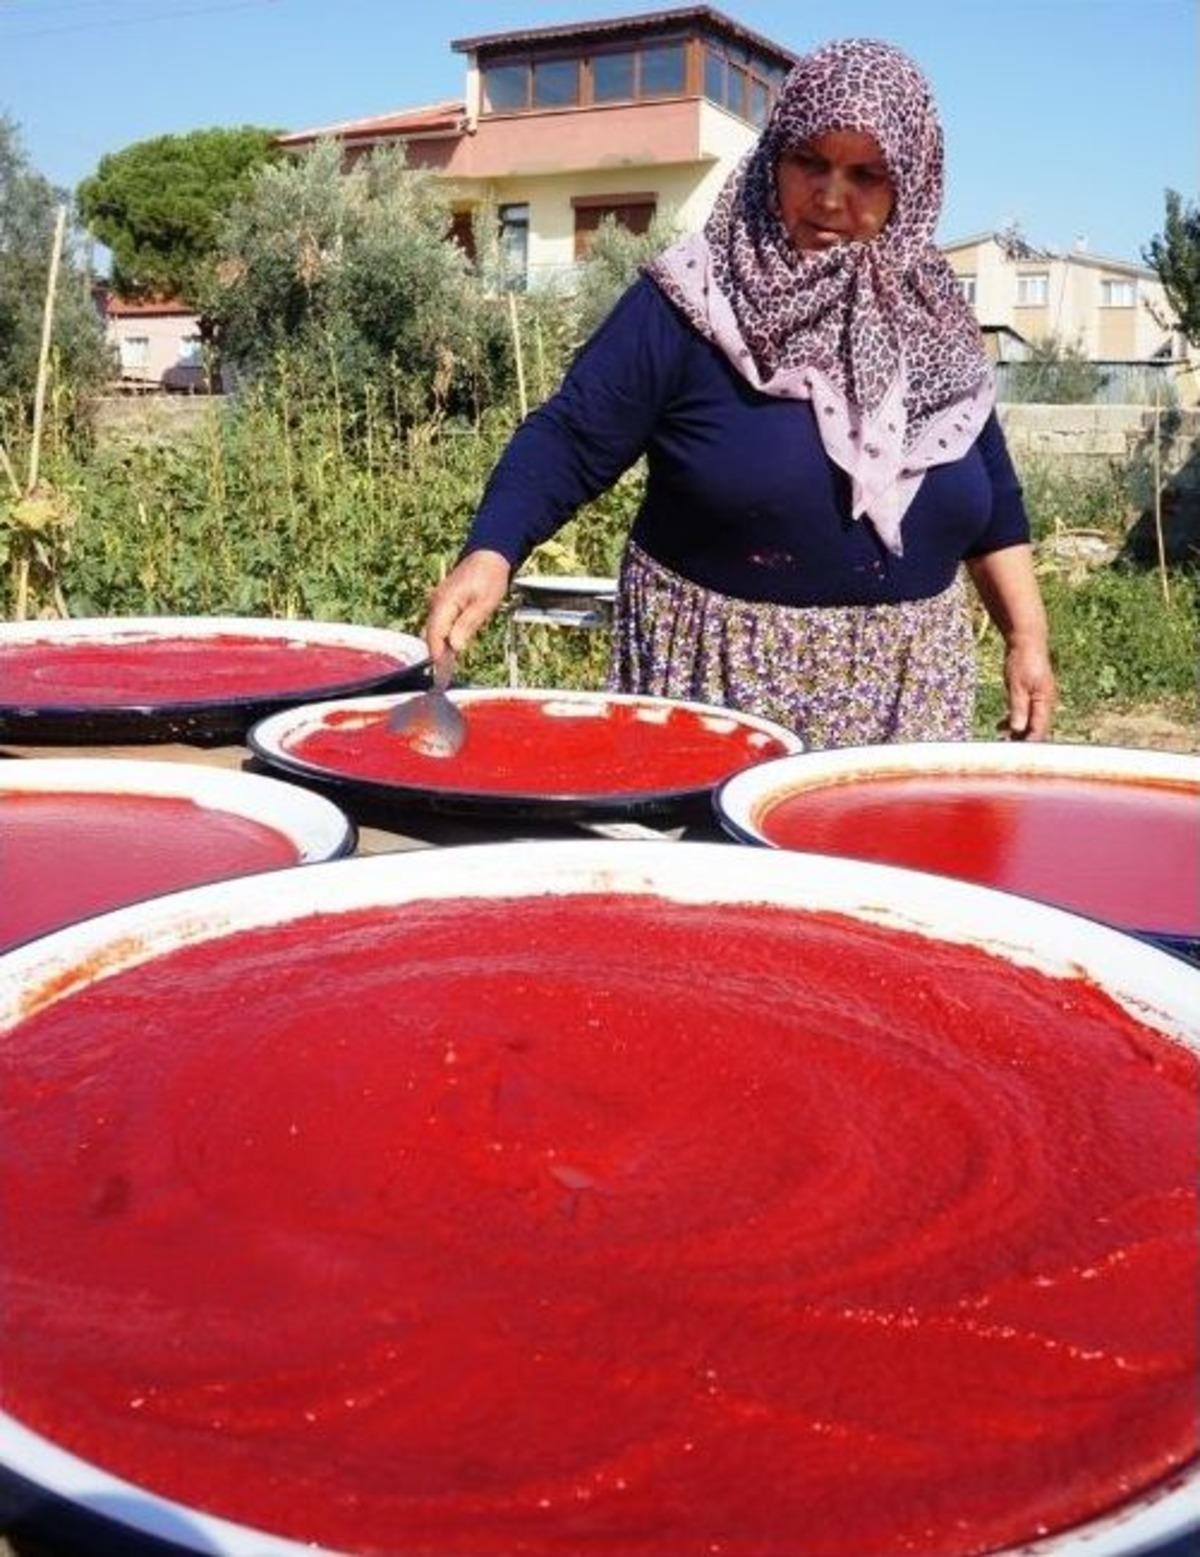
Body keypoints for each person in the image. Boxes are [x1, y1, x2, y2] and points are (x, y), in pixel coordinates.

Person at [425, 37, 1056, 748]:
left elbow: (990, 486)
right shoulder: (696, 299)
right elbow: (571, 435)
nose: (829, 195)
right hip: (720, 691)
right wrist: (493, 550)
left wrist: (1025, 635)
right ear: (772, 158)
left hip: (908, 698)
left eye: (866, 174)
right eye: (809, 161)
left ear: (911, 181)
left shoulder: (934, 316)